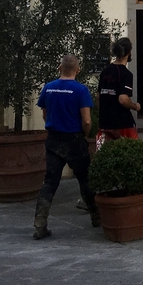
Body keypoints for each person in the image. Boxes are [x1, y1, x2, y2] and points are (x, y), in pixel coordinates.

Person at [32, 54, 100, 239]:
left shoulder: (48, 88)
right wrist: (84, 135)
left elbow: (45, 115)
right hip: (75, 139)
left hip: (54, 140)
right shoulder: (81, 90)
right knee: (85, 179)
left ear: (59, 68)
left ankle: (40, 224)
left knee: (50, 182)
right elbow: (86, 120)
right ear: (77, 70)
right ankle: (96, 216)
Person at [97, 37, 140, 143]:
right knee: (131, 151)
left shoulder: (105, 72)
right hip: (123, 123)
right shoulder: (126, 74)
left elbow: (98, 97)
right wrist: (135, 106)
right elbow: (123, 99)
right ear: (129, 52)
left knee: (105, 154)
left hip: (105, 123)